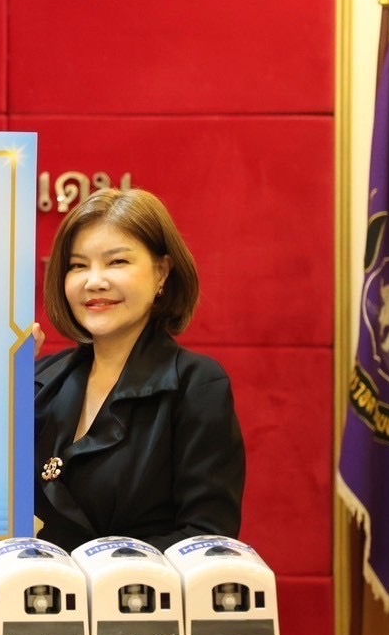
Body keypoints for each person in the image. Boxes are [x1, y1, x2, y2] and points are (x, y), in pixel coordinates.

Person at [34, 187, 244, 552]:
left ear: (162, 272)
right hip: (40, 587)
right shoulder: (41, 380)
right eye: (78, 265)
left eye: (116, 262)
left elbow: (208, 537)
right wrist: (1, 386)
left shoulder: (196, 385)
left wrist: (92, 565)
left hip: (138, 588)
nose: (94, 281)